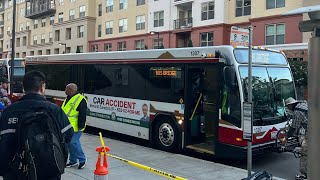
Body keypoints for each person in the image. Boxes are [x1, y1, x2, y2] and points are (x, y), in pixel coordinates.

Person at [0, 70, 74, 180]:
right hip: (48, 170)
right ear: (42, 87)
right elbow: (68, 135)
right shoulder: (54, 110)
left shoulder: (9, 112)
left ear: (23, 88)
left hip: (15, 173)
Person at [62, 83, 87, 169]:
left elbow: (82, 115)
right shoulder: (68, 98)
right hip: (68, 126)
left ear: (71, 90)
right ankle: (73, 161)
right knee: (69, 144)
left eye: (67, 89)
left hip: (76, 127)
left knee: (73, 142)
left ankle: (82, 159)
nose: (65, 90)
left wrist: (80, 126)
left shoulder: (81, 99)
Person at [285, 97, 308, 180]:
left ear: (290, 105)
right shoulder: (304, 103)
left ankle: (305, 175)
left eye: (287, 107)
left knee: (305, 153)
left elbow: (293, 127)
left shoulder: (297, 112)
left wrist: (287, 136)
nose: (288, 109)